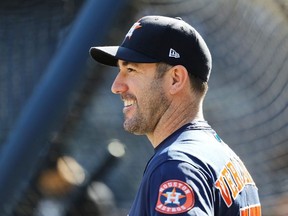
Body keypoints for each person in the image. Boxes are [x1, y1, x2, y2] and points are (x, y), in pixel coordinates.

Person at [89, 15, 261, 216]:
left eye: (131, 69)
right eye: (120, 70)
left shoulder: (176, 165)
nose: (116, 86)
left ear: (175, 79)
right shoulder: (222, 157)